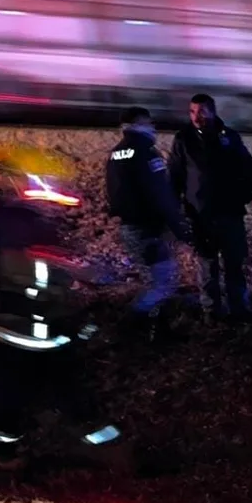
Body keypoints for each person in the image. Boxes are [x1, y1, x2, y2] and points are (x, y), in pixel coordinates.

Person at [0, 148, 128, 471]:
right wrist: (75, 274)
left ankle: (104, 448)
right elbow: (29, 272)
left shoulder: (23, 223)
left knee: (48, 389)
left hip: (38, 330)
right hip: (16, 330)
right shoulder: (15, 225)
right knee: (17, 391)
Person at [169, 93, 252, 322]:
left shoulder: (229, 137)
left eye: (201, 111)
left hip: (230, 213)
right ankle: (211, 312)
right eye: (192, 111)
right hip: (200, 215)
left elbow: (248, 169)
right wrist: (179, 209)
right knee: (207, 264)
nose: (196, 116)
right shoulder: (183, 139)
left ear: (213, 111)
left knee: (234, 264)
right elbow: (175, 175)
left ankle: (239, 310)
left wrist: (243, 197)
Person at [106, 106, 192, 339]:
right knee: (164, 283)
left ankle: (156, 330)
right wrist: (180, 228)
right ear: (139, 124)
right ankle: (128, 327)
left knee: (155, 280)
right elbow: (161, 195)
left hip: (130, 228)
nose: (153, 127)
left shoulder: (117, 153)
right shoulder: (147, 153)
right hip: (148, 229)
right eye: (149, 122)